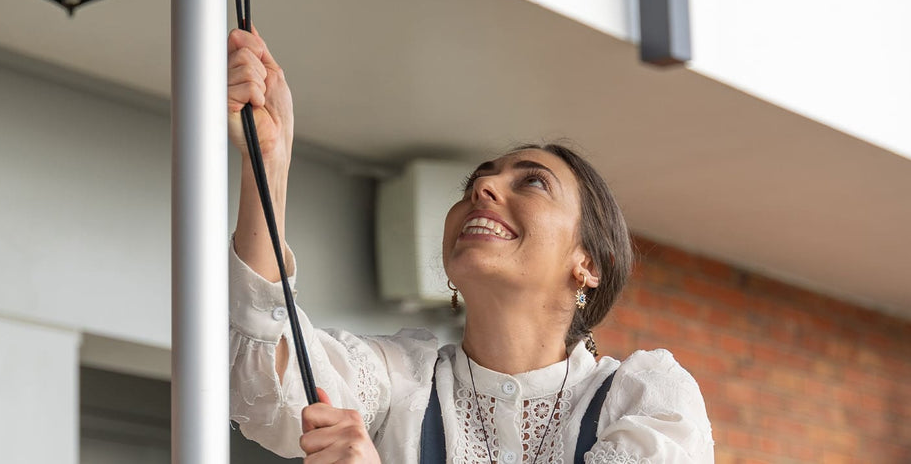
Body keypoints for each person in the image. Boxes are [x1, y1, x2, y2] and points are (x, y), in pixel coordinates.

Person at [228, 29, 714, 463]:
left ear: (587, 263)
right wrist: (268, 162)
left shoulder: (647, 399)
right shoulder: (401, 382)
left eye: (533, 183)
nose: (483, 190)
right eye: (474, 184)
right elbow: (270, 385)